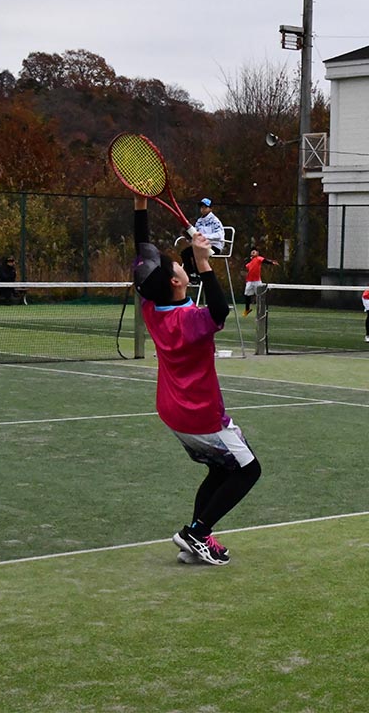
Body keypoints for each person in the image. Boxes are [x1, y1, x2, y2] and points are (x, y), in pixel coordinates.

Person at [131, 195, 261, 566]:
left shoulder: (152, 307)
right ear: (176, 280)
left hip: (172, 411)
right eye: (178, 264)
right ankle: (197, 533)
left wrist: (141, 206)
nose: (180, 262)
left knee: (221, 468)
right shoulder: (188, 321)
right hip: (200, 412)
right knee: (249, 470)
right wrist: (204, 263)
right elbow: (219, 311)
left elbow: (141, 249)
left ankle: (197, 535)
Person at [242, 248, 279, 317]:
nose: (253, 252)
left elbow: (265, 260)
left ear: (257, 253)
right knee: (247, 294)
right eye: (252, 251)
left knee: (260, 295)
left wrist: (271, 262)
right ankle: (247, 310)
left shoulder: (259, 258)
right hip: (249, 281)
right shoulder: (250, 262)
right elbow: (247, 267)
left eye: (254, 251)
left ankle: (262, 310)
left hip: (257, 281)